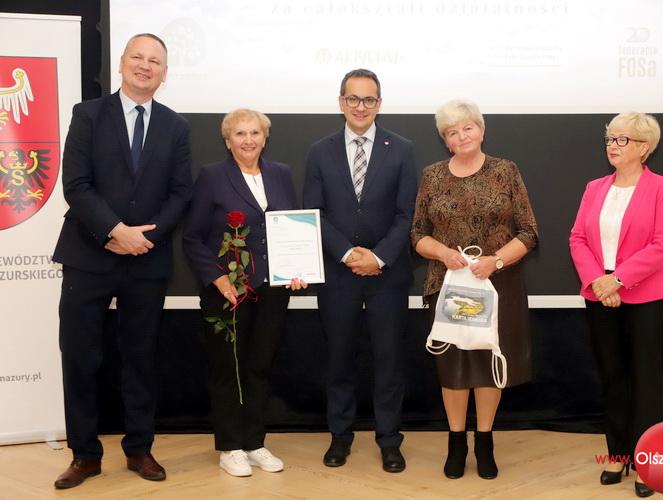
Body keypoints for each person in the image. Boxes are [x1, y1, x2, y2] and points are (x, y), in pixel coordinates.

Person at [52, 34, 192, 489]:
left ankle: (139, 449)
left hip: (146, 260)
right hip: (88, 255)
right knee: (79, 357)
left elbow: (180, 194)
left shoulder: (176, 126)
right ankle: (84, 455)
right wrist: (115, 231)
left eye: (155, 61)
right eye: (138, 57)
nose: (145, 65)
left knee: (140, 358)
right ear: (122, 62)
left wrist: (141, 239)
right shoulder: (88, 114)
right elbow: (76, 184)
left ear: (164, 73)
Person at [411, 99, 537, 480]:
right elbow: (417, 234)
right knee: (452, 367)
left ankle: (484, 441)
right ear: (444, 140)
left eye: (467, 128)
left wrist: (495, 261)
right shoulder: (432, 176)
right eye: (452, 132)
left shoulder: (506, 171)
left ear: (481, 130)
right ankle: (456, 442)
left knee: (485, 365)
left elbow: (529, 232)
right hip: (447, 287)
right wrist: (443, 252)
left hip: (496, 286)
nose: (461, 136)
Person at [302, 69, 417, 473]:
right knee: (338, 360)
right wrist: (349, 253)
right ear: (341, 102)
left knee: (389, 361)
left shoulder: (402, 149)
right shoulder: (319, 151)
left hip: (388, 275)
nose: (361, 106)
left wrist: (378, 257)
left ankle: (389, 440)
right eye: (353, 98)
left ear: (379, 104)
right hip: (338, 275)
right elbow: (314, 212)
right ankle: (340, 437)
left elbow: (407, 214)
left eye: (369, 99)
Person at [183, 109, 306, 477]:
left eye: (255, 133)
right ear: (227, 141)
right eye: (240, 133)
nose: (248, 140)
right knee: (227, 368)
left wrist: (298, 269)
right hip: (228, 291)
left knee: (259, 367)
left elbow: (291, 228)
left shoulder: (281, 174)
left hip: (273, 290)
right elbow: (193, 237)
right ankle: (230, 446)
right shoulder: (212, 176)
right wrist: (217, 278)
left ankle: (254, 442)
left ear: (265, 138)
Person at [569, 112, 663, 498]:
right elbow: (577, 238)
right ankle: (617, 454)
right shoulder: (594, 187)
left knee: (647, 379)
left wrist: (617, 280)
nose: (612, 146)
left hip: (645, 295)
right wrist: (599, 283)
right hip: (599, 294)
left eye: (622, 140)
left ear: (644, 147)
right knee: (612, 375)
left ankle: (648, 460)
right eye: (610, 138)